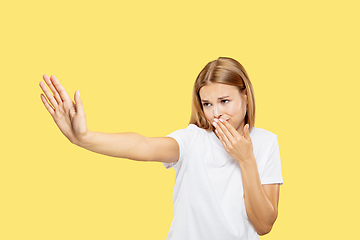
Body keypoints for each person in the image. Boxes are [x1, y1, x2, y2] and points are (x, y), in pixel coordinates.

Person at [39, 57, 283, 240]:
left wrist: (246, 159)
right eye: (207, 104)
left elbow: (264, 226)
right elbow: (143, 145)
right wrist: (84, 137)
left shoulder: (266, 142)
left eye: (224, 101)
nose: (216, 113)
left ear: (246, 97)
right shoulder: (193, 139)